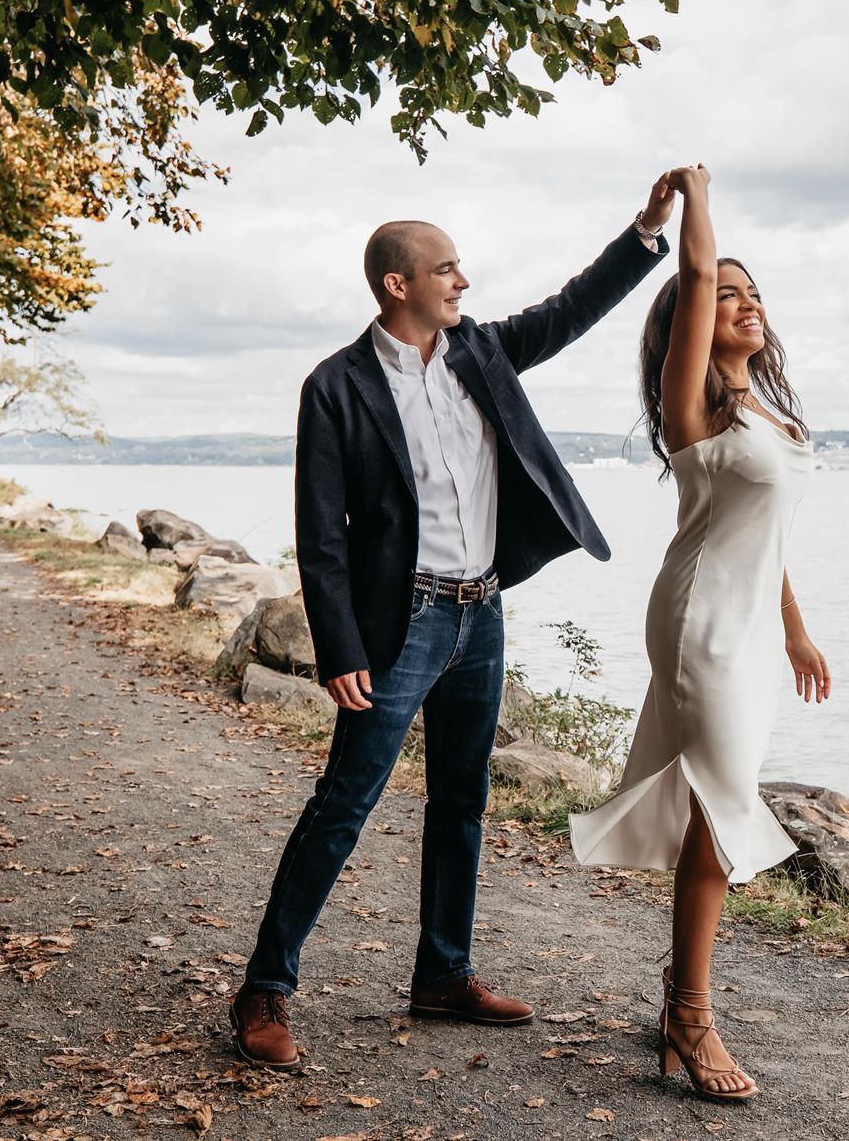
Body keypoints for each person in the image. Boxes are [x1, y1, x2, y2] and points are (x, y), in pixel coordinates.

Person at [229, 178, 674, 1069]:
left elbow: (571, 309)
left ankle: (442, 972)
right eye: (446, 269)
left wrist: (645, 232)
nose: (462, 281)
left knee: (462, 799)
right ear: (398, 284)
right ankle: (264, 989)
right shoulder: (336, 387)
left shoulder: (482, 351)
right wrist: (339, 647)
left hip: (481, 613)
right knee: (344, 803)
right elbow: (322, 534)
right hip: (401, 625)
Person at [569, 164, 832, 1101]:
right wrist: (695, 199)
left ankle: (683, 1001)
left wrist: (796, 632)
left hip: (752, 624)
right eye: (726, 294)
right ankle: (690, 1012)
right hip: (700, 619)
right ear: (691, 315)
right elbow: (691, 270)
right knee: (722, 805)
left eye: (753, 292)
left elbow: (769, 537)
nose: (746, 302)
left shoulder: (767, 412)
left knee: (717, 804)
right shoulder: (694, 406)